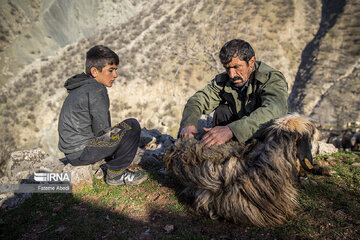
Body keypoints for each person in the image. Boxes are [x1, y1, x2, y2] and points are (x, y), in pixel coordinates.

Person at [58, 45, 147, 186]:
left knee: (119, 133)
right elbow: (102, 130)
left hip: (72, 153)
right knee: (131, 125)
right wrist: (119, 146)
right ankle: (116, 175)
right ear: (95, 71)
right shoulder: (96, 89)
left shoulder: (81, 86)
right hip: (82, 152)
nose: (115, 75)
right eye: (110, 70)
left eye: (116, 70)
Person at [179, 39, 288, 146]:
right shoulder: (225, 80)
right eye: (227, 68)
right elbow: (198, 100)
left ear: (251, 62)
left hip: (267, 136)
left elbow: (275, 110)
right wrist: (189, 124)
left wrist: (231, 130)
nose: (232, 75)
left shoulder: (271, 78)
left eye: (236, 67)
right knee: (222, 111)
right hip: (240, 136)